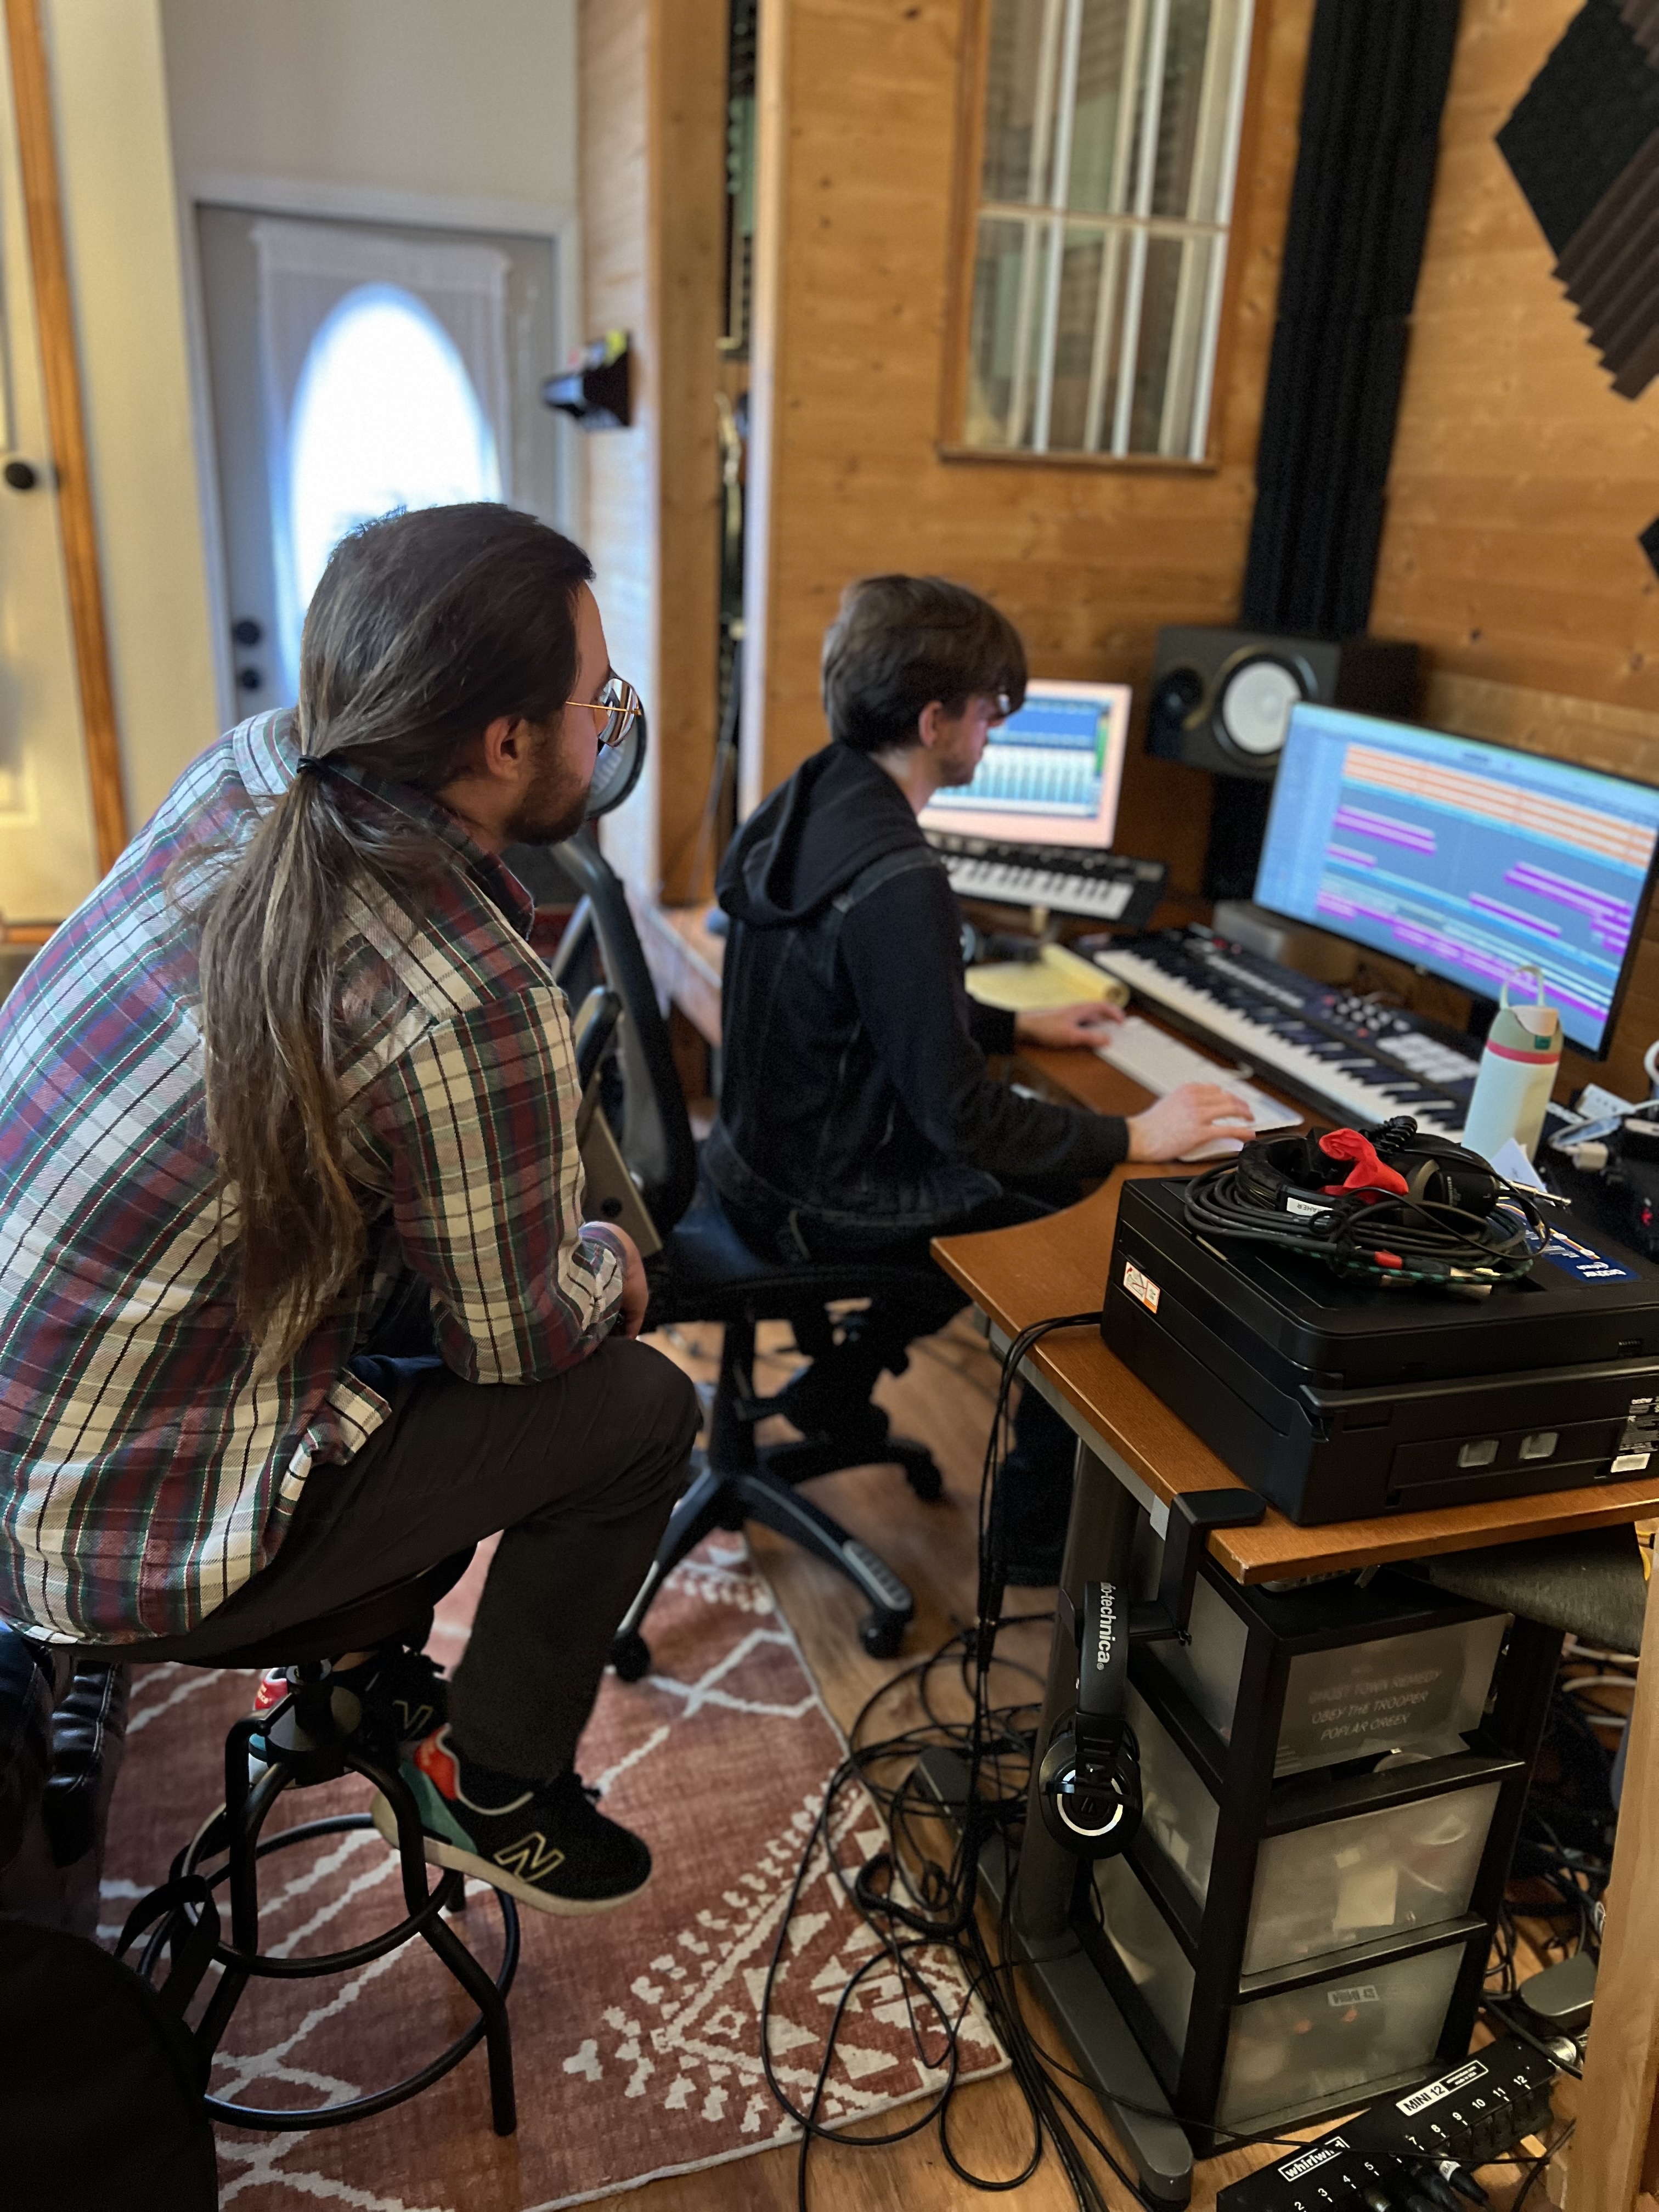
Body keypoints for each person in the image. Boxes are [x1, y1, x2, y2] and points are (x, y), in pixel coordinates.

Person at [0, 504, 699, 1917]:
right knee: (638, 1410)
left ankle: (354, 1677)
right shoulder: (471, 994)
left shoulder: (257, 765)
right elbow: (517, 1343)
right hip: (110, 1541)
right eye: (597, 699)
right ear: (505, 744)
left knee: (406, 1261)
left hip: (34, 1426)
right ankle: (493, 1783)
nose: (610, 722)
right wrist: (605, 1262)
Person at [704, 573, 1250, 1579]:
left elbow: (873, 1005)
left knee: (1046, 1175)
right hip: (822, 1202)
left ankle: (840, 1383)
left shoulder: (815, 792)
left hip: (758, 1161)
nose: (994, 733)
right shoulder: (901, 878)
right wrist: (1139, 1134)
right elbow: (961, 1120)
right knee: (1089, 1238)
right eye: (990, 712)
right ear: (934, 721)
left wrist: (1012, 1022)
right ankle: (1033, 1540)